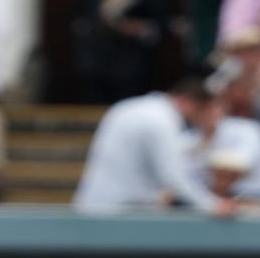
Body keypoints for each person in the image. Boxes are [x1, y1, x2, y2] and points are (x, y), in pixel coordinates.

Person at [74, 77, 226, 214]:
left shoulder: (133, 108)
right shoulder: (160, 120)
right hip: (119, 214)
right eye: (204, 110)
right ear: (188, 101)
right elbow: (173, 175)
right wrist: (213, 205)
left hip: (98, 207)